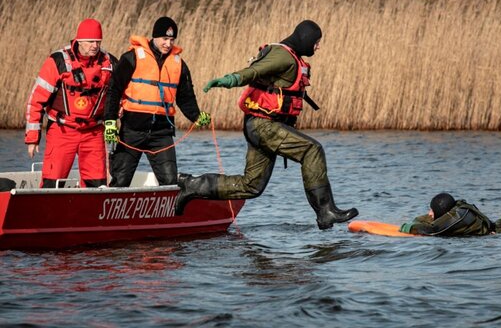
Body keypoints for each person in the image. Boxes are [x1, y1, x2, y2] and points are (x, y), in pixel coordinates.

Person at [174, 20, 358, 230]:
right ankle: (325, 212)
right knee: (312, 150)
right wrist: (231, 79)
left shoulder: (293, 57)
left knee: (252, 186)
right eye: (316, 42)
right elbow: (255, 71)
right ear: (306, 39)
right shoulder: (282, 56)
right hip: (263, 126)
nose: (318, 46)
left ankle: (193, 186)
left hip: (261, 125)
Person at [103, 16, 210, 187]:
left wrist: (196, 116)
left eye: (172, 39)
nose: (168, 43)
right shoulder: (132, 57)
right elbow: (114, 90)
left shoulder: (179, 64)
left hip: (162, 132)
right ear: (154, 37)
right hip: (132, 129)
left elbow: (186, 96)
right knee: (120, 180)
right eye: (164, 39)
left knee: (169, 181)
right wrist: (109, 122)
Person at [24, 19, 117, 188]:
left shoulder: (109, 63)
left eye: (98, 42)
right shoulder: (59, 61)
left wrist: (115, 125)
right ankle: (49, 213)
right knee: (52, 182)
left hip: (94, 132)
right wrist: (32, 139)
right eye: (90, 41)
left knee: (97, 185)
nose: (95, 46)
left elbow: (122, 97)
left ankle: (89, 213)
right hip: (62, 130)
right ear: (79, 40)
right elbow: (36, 100)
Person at [399, 192, 501, 236]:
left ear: (441, 210)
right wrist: (416, 221)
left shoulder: (457, 216)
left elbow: (433, 230)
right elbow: (428, 220)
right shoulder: (456, 209)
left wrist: (406, 227)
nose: (429, 213)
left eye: (431, 210)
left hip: (499, 235)